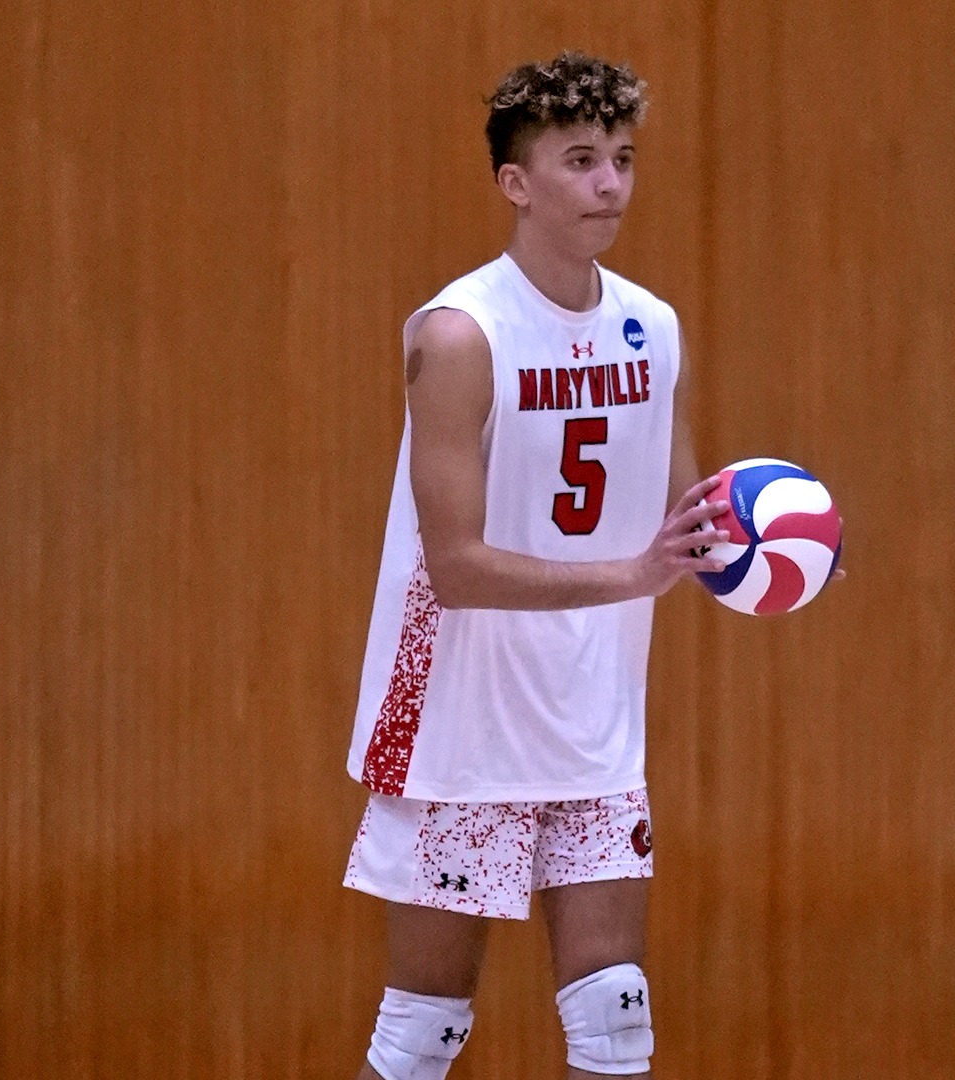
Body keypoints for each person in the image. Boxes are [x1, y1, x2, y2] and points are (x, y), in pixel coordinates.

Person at [342, 52, 728, 1080]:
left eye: (623, 159)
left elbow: (682, 519)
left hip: (592, 716)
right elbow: (457, 567)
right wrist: (632, 574)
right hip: (462, 721)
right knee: (423, 1031)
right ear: (517, 183)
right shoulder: (463, 333)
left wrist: (774, 542)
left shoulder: (654, 328)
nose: (610, 183)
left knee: (615, 1023)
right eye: (581, 160)